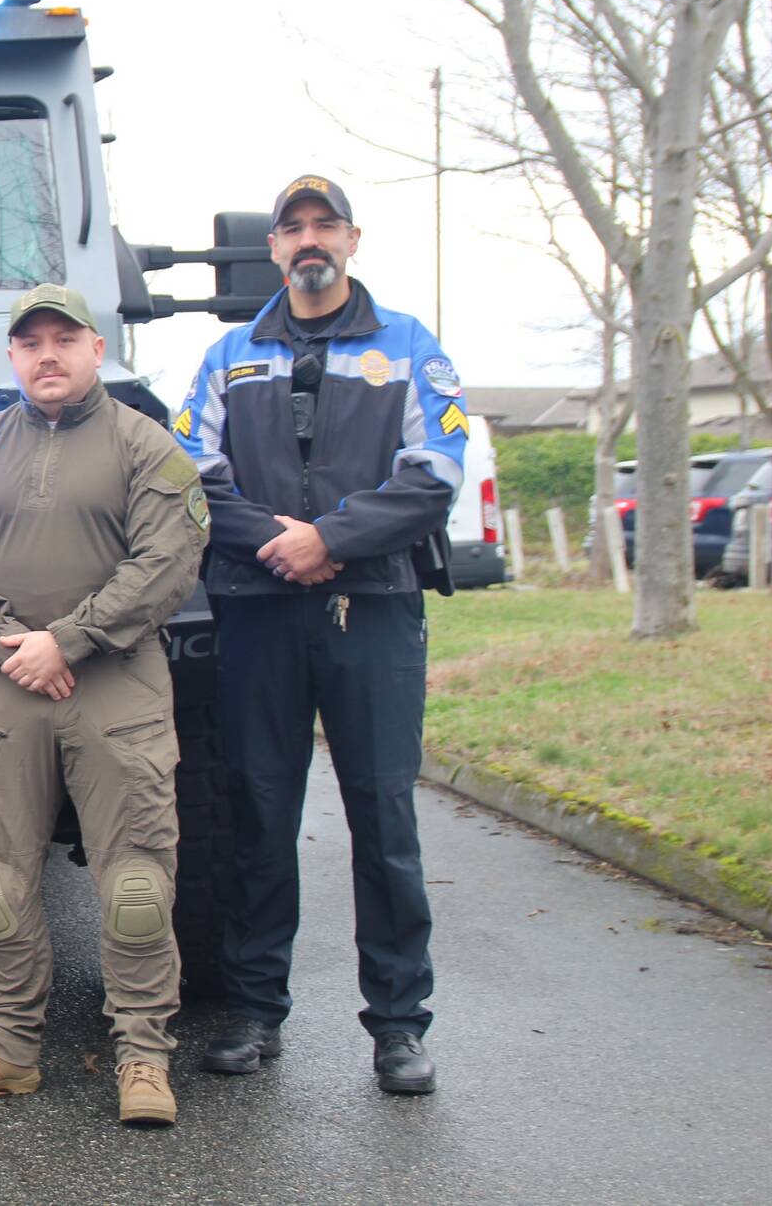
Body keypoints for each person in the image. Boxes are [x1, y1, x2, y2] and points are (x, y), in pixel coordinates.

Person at [172, 175, 465, 1095]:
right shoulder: (227, 356)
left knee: (384, 818)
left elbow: (436, 473)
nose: (309, 239)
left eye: (324, 225)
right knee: (260, 813)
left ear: (352, 239)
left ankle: (399, 1027)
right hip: (260, 611)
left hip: (372, 606)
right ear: (273, 248)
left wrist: (330, 540)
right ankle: (255, 1013)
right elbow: (191, 474)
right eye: (292, 227)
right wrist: (281, 545)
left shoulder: (409, 347)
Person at [0, 283, 211, 1126]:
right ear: (11, 357)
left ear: (95, 348)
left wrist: (68, 639)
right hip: (8, 689)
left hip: (117, 685)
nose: (47, 355)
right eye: (31, 342)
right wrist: (12, 643)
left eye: (64, 339)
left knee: (136, 883)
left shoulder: (148, 448)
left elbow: (165, 564)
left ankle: (144, 1055)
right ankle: (5, 1045)